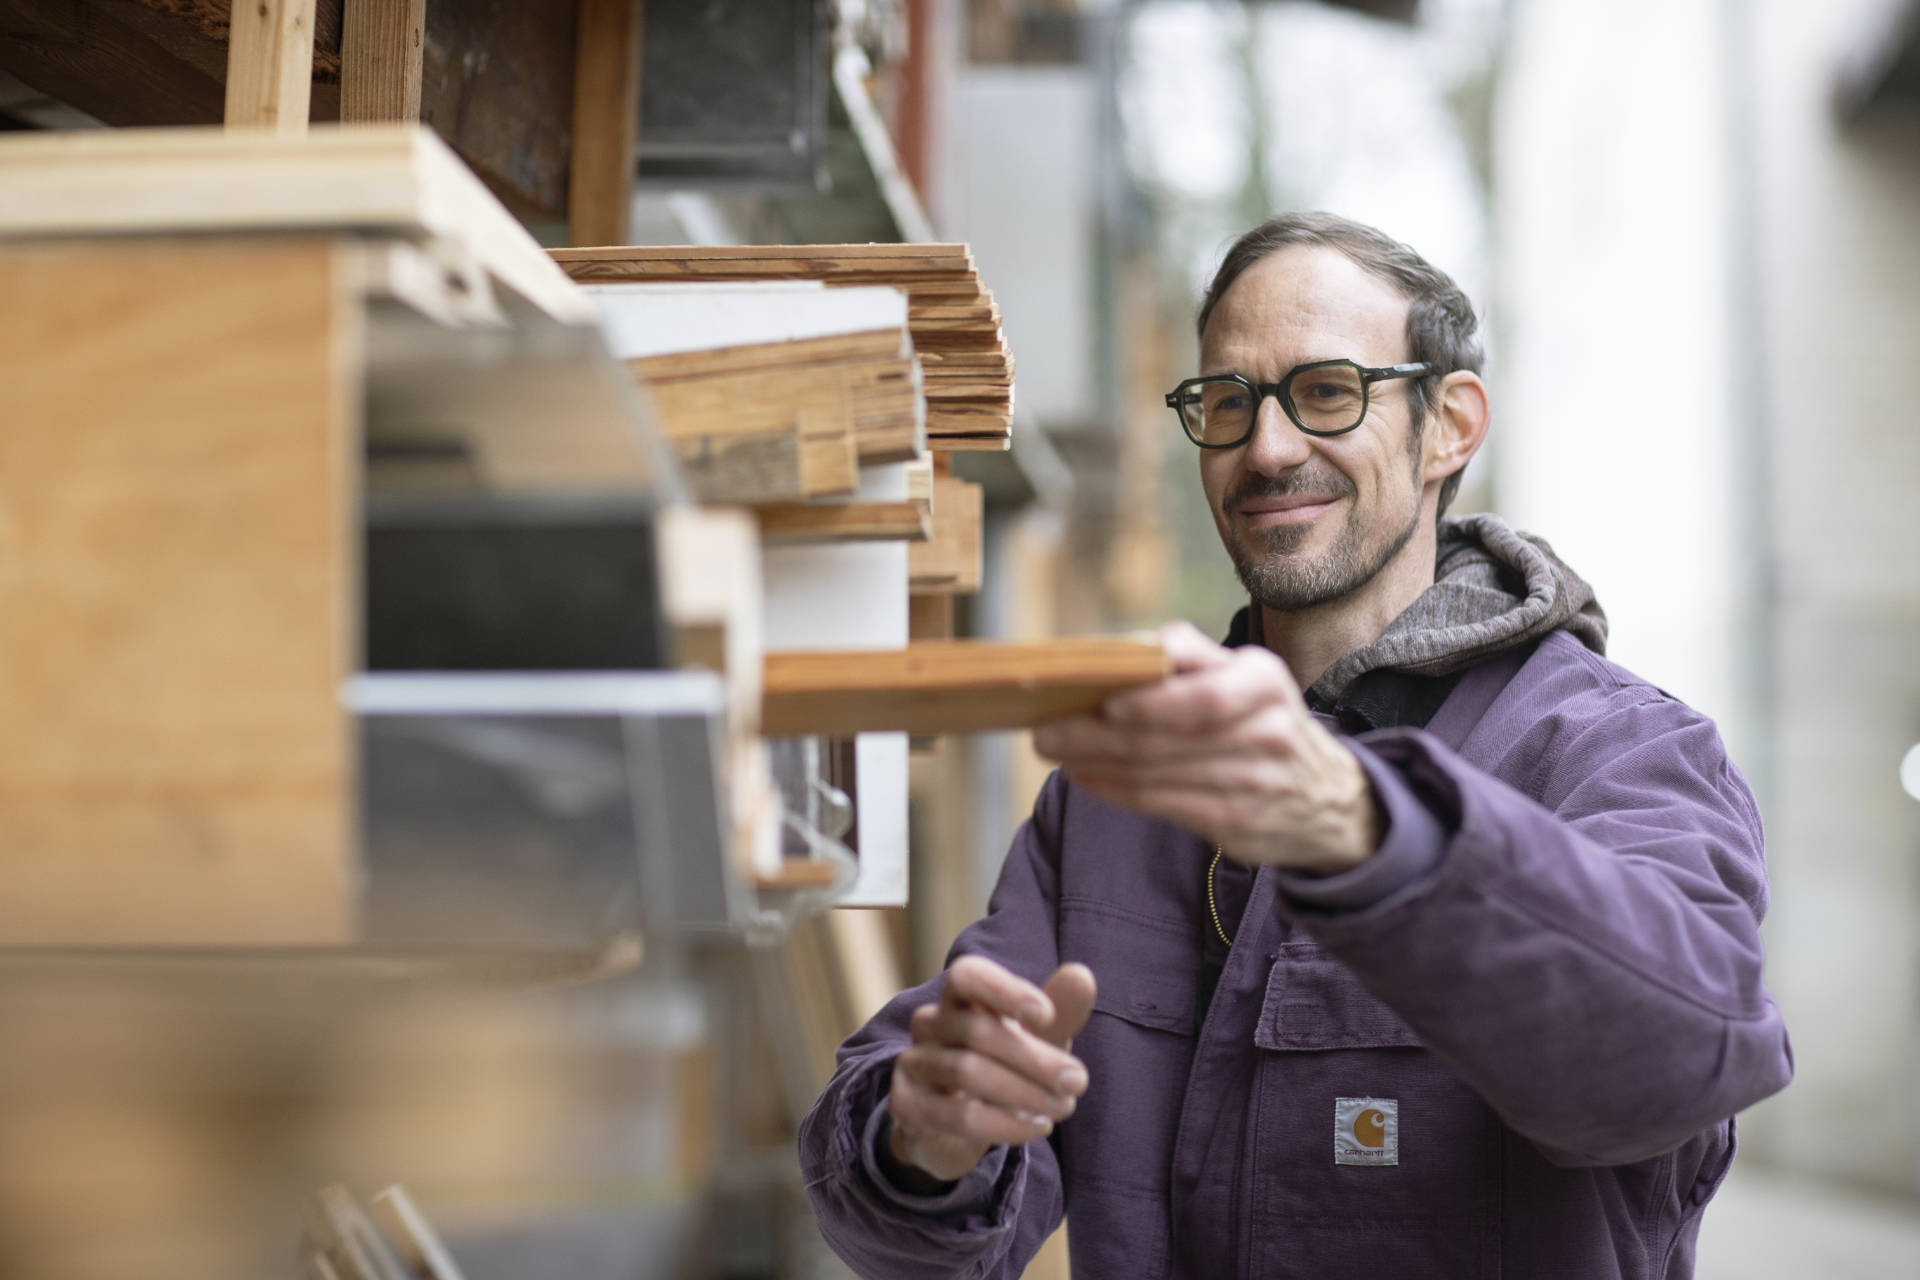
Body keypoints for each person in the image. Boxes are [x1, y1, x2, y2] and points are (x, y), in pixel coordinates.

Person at [798, 212, 1792, 1279]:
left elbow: (1685, 1060)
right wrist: (924, 1142)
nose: (1267, 449)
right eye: (1228, 402)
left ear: (1449, 423)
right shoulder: (1122, 791)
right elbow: (923, 1211)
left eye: (1327, 391)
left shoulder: (1620, 751)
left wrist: (1374, 831)